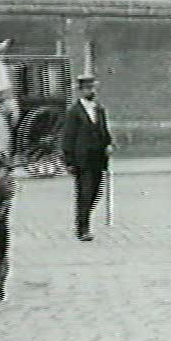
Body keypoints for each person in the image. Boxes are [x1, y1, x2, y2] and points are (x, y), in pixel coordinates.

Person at [61, 74, 114, 241]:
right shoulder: (74, 112)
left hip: (98, 157)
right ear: (80, 91)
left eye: (92, 88)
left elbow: (104, 130)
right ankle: (82, 228)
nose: (90, 91)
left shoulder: (99, 109)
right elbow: (68, 138)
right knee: (85, 193)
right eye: (86, 88)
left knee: (96, 193)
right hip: (81, 159)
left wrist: (109, 144)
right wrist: (69, 161)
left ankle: (84, 221)